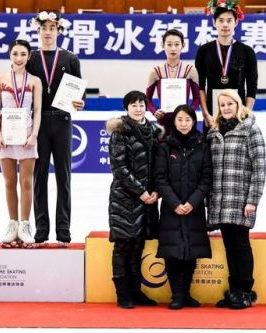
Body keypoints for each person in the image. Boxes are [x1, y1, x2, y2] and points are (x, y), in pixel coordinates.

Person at [26, 11, 85, 247]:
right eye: (44, 28)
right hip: (37, 122)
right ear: (38, 30)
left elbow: (79, 92)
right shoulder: (30, 58)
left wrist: (80, 102)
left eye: (52, 28)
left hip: (62, 120)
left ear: (59, 30)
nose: (48, 32)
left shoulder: (70, 58)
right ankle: (41, 229)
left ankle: (63, 230)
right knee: (39, 176)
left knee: (64, 176)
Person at [207, 89, 266, 309]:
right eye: (222, 105)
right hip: (220, 200)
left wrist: (253, 200)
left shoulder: (251, 130)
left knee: (240, 244)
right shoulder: (213, 133)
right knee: (229, 246)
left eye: (230, 104)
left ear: (238, 104)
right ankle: (234, 291)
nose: (226, 108)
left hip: (241, 199)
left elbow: (259, 168)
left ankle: (245, 290)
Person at [106, 90, 163, 309]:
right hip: (124, 197)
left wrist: (156, 191)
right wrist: (141, 191)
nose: (138, 109)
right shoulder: (120, 132)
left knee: (138, 245)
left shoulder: (155, 132)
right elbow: (119, 168)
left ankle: (136, 292)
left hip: (148, 200)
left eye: (141, 105)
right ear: (126, 108)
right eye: (133, 105)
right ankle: (123, 294)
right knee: (123, 245)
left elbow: (160, 165)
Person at [154, 104, 212, 310]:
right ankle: (176, 295)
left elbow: (206, 178)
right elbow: (160, 179)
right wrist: (175, 203)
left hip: (194, 208)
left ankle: (186, 293)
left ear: (193, 121)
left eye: (188, 120)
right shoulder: (164, 146)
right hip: (172, 208)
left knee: (191, 251)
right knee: (173, 252)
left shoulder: (202, 145)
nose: (184, 124)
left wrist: (192, 203)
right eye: (180, 120)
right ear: (174, 122)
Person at [0, 40, 42, 248]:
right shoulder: (1, 79)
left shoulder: (35, 81)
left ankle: (25, 225)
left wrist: (34, 135)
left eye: (22, 54)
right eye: (15, 54)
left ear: (29, 56)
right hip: (6, 136)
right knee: (9, 183)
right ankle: (12, 224)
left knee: (27, 182)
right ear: (10, 55)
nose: (18, 58)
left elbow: (37, 110)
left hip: (27, 135)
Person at [195, 0, 258, 133]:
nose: (225, 24)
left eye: (229, 20)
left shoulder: (247, 51)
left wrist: (245, 112)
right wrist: (205, 114)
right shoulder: (204, 51)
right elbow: (200, 86)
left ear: (236, 22)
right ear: (214, 22)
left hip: (239, 114)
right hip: (212, 114)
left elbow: (252, 86)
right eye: (221, 20)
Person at [146, 29, 200, 136]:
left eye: (177, 44)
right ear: (163, 45)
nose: (173, 48)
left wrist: (188, 112)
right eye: (169, 44)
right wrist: (154, 112)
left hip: (184, 122)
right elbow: (148, 99)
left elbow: (197, 98)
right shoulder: (155, 72)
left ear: (183, 45)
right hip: (164, 120)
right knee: (164, 150)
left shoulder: (190, 70)